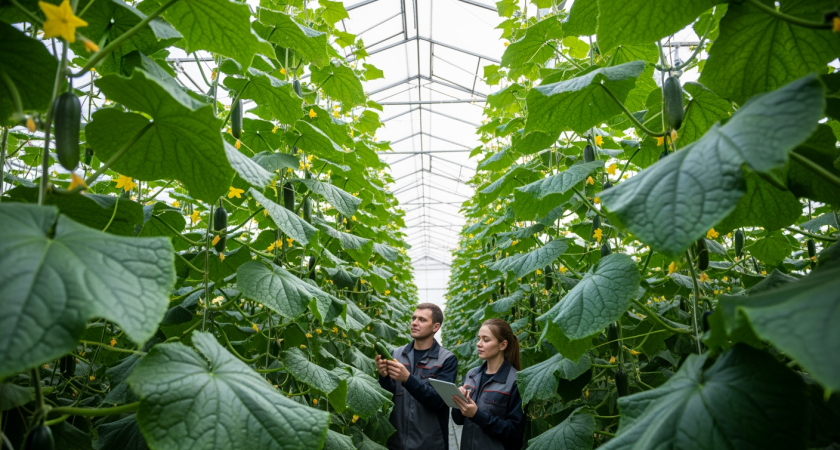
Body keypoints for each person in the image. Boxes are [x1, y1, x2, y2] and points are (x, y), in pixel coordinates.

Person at [376, 303, 458, 450]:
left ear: (435, 327)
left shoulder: (447, 359)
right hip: (397, 442)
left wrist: (407, 379)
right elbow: (390, 395)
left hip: (430, 444)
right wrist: (384, 377)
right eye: (414, 318)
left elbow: (438, 401)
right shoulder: (396, 354)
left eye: (422, 319)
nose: (414, 323)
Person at [451, 318, 525, 450]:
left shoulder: (516, 381)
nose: (479, 344)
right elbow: (458, 420)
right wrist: (459, 401)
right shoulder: (471, 375)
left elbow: (515, 433)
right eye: (479, 339)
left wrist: (477, 415)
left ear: (503, 345)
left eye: (486, 340)